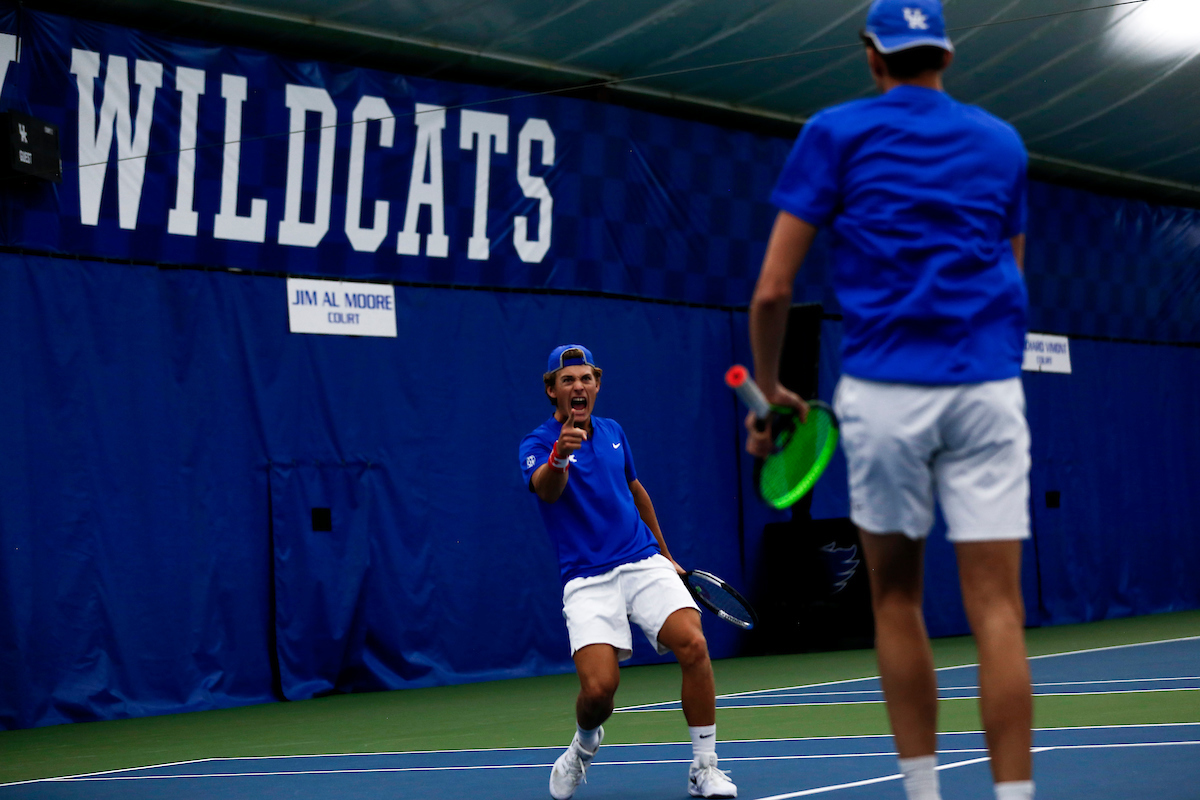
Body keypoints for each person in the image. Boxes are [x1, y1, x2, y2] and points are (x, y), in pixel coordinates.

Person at [745, 2, 1035, 800]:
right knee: (998, 612)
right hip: (985, 388)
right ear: (945, 55)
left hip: (886, 393)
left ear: (872, 57)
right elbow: (1013, 279)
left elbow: (773, 292)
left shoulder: (835, 132)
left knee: (897, 599)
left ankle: (923, 793)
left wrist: (772, 393)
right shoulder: (1003, 143)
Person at [519, 344, 737, 800]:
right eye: (567, 380)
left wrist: (666, 553)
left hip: (642, 559)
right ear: (552, 391)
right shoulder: (538, 443)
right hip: (586, 578)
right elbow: (547, 490)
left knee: (694, 644)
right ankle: (582, 746)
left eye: (586, 378)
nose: (578, 386)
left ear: (596, 385)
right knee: (599, 691)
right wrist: (560, 454)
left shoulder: (614, 431)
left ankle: (705, 767)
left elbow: (636, 491)